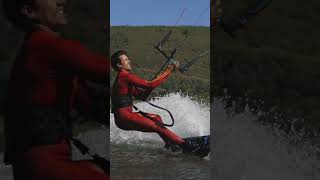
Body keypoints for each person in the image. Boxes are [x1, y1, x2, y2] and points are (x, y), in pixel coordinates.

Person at [2, 0, 109, 179]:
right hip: (50, 168)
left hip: (33, 168)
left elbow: (93, 106)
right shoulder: (47, 45)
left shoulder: (35, 48)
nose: (61, 2)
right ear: (29, 11)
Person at [111, 50, 198, 151]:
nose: (129, 61)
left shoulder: (123, 78)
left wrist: (151, 86)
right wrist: (168, 71)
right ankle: (186, 145)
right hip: (124, 117)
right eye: (126, 60)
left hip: (124, 117)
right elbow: (149, 84)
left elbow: (141, 96)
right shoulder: (125, 76)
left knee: (156, 118)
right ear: (119, 65)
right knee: (156, 126)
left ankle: (170, 144)